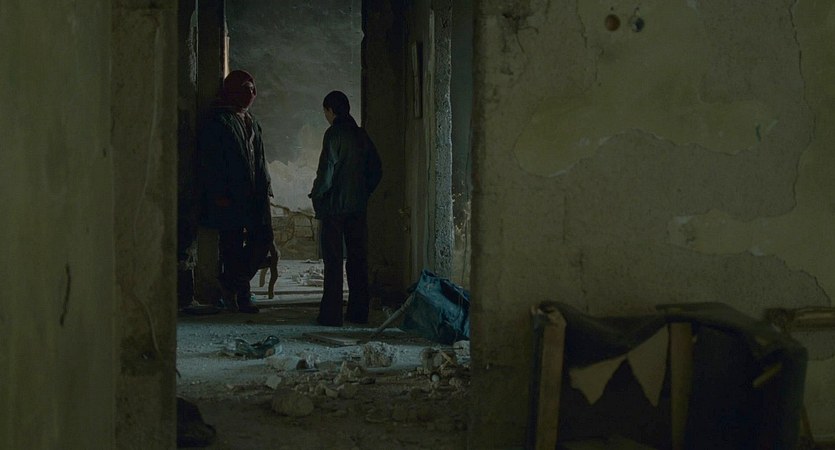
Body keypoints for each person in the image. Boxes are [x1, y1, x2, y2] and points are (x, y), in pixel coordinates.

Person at [198, 70, 274, 314]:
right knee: (231, 245)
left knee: (262, 238)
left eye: (253, 89)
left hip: (255, 193)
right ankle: (242, 296)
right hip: (230, 195)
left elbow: (259, 159)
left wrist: (266, 187)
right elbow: (210, 161)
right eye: (247, 89)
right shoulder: (219, 120)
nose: (252, 93)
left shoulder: (252, 121)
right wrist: (218, 193)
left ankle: (229, 283)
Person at [309, 90, 382, 326]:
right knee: (358, 260)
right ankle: (358, 313)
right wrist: (363, 192)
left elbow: (326, 173)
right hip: (357, 208)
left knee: (333, 263)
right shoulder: (361, 134)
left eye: (325, 112)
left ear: (330, 110)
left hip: (334, 208)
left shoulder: (333, 134)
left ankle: (331, 315)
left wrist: (316, 195)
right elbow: (376, 169)